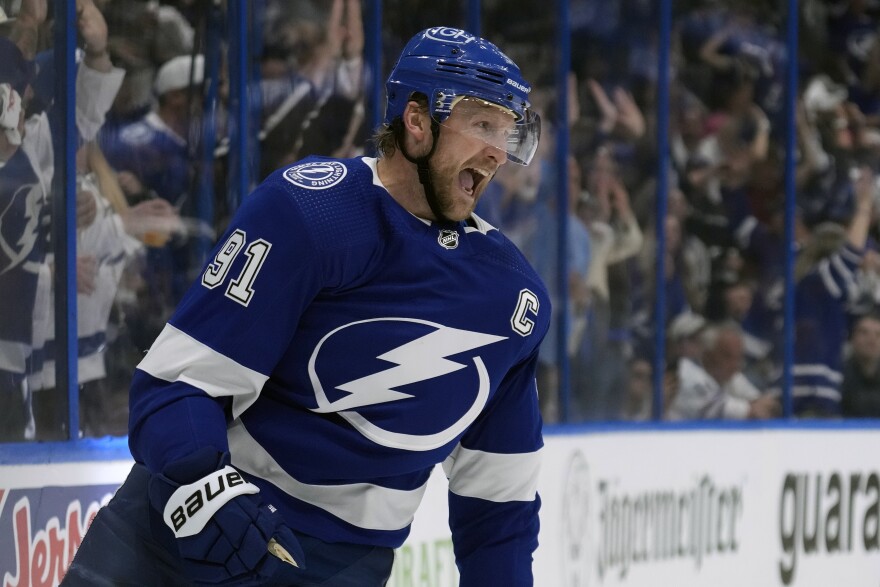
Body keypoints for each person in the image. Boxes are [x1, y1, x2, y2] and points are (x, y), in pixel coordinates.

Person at [64, 26, 548, 587]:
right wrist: (202, 486)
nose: (498, 151)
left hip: (339, 568)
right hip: (176, 530)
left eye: (508, 133)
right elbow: (176, 385)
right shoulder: (312, 213)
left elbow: (499, 507)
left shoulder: (513, 297)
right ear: (418, 121)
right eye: (483, 124)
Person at [667, 321, 780, 420]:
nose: (736, 365)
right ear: (708, 356)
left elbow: (768, 403)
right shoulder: (686, 374)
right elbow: (749, 413)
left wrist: (761, 404)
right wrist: (753, 408)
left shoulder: (729, 374)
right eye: (728, 357)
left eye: (739, 358)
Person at [841, 312, 880, 418]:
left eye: (878, 334)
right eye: (864, 333)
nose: (871, 340)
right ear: (852, 338)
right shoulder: (839, 376)